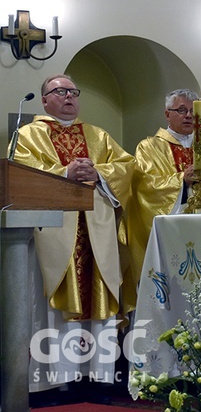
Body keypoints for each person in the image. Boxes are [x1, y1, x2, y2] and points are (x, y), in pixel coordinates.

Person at [11, 73, 134, 390]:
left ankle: (100, 377)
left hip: (97, 231)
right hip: (55, 233)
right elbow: (21, 174)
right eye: (60, 91)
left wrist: (98, 172)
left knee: (99, 296)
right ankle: (55, 383)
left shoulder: (98, 135)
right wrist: (66, 171)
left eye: (73, 92)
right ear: (45, 100)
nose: (69, 97)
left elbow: (126, 166)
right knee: (54, 303)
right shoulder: (28, 135)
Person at [125, 89, 201, 282]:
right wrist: (181, 181)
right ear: (167, 114)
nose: (188, 115)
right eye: (181, 110)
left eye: (193, 111)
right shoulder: (149, 147)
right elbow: (144, 186)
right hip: (172, 228)